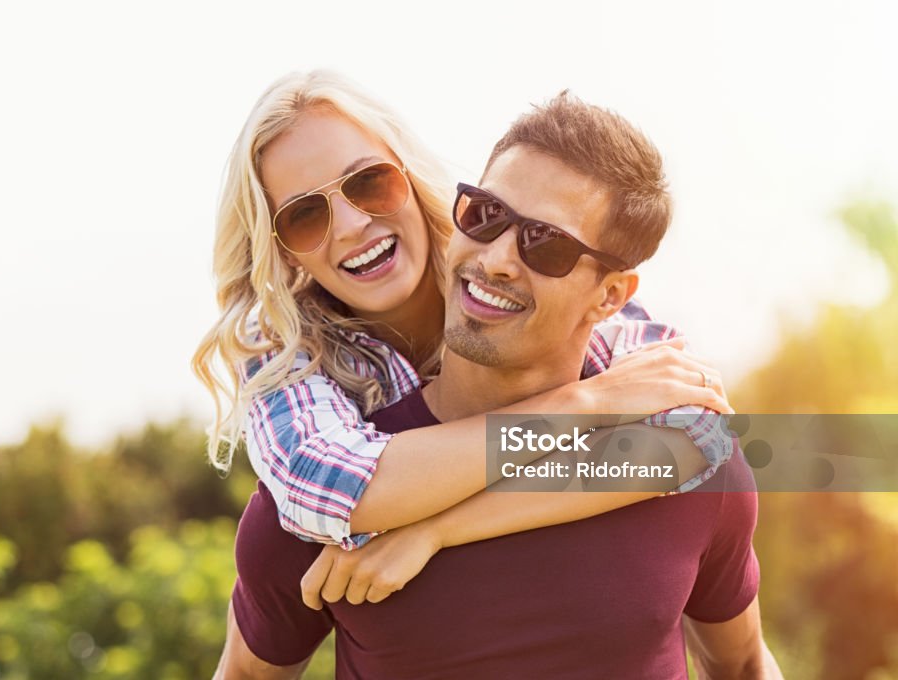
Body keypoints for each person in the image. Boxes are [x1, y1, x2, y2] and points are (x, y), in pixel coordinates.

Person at [215, 91, 781, 679]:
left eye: (548, 244)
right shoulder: (322, 500)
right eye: (487, 216)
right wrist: (585, 403)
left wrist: (437, 529)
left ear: (610, 296)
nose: (498, 259)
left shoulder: (663, 428)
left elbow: (703, 443)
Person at [191, 70, 733, 557]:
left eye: (368, 183)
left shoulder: (504, 258)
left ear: (407, 171)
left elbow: (699, 432)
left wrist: (439, 529)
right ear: (282, 248)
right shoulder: (280, 349)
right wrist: (585, 404)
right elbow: (325, 489)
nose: (352, 225)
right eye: (305, 215)